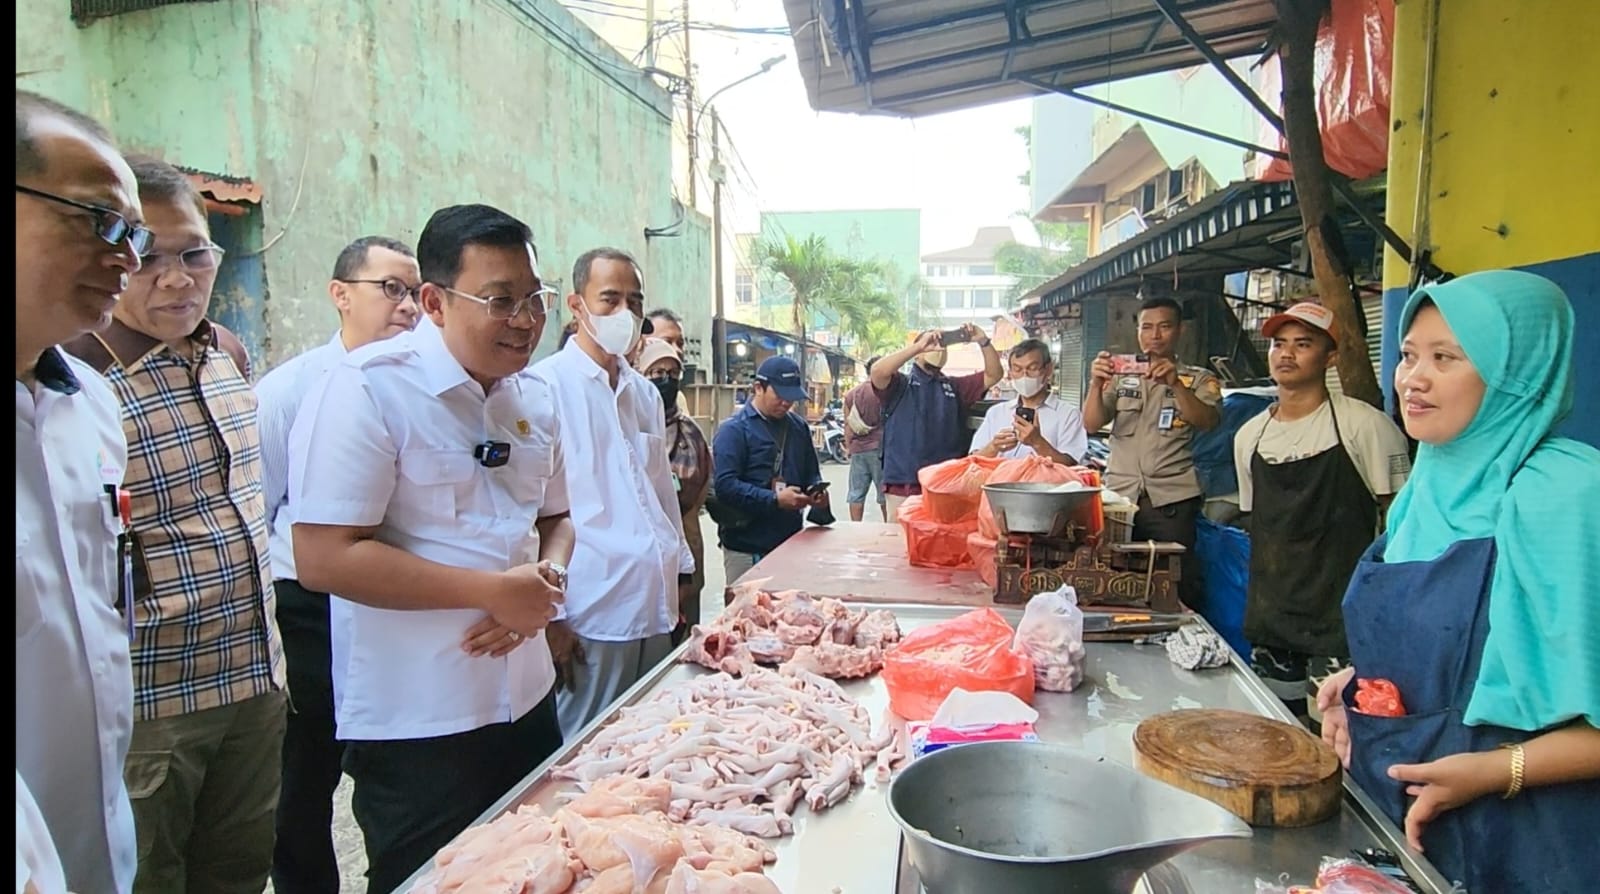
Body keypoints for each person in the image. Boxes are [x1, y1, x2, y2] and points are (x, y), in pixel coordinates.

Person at [288, 204, 572, 893]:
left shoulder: (533, 395)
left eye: (535, 298)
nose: (526, 318)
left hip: (527, 702)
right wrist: (491, 592)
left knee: (544, 871)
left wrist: (546, 580)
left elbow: (559, 517)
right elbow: (323, 557)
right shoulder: (368, 390)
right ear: (435, 303)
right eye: (500, 300)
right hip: (419, 720)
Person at [1316, 271, 1600, 892]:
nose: (1413, 378)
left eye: (1446, 358)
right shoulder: (1424, 489)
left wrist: (1501, 770)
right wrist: (1360, 693)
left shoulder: (1570, 495)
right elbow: (1444, 655)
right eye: (1410, 355)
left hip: (1536, 841)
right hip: (1408, 831)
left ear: (1516, 376)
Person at [62, 155, 287, 894]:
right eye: (148, 257)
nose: (175, 277)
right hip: (151, 708)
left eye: (194, 254)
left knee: (238, 876)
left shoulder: (226, 355)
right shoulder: (76, 385)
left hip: (253, 685)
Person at [254, 235, 421, 894]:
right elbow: (261, 514)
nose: (407, 305)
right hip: (311, 612)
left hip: (395, 603)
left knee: (392, 770)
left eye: (415, 291)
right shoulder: (289, 392)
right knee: (304, 781)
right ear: (340, 295)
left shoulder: (422, 391)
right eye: (391, 289)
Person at [15, 88, 145, 894]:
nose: (128, 259)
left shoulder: (90, 405)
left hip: (94, 837)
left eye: (131, 233)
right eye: (96, 221)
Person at [533, 248, 693, 738]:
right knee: (587, 748)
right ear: (577, 306)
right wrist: (551, 619)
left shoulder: (643, 393)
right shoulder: (543, 389)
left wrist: (681, 574)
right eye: (610, 299)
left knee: (648, 739)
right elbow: (533, 513)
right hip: (591, 610)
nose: (624, 313)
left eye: (635, 301)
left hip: (653, 602)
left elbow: (660, 493)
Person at [1232, 302, 1410, 719]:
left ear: (1330, 357)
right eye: (1279, 344)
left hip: (1340, 621)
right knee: (1274, 733)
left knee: (1333, 739)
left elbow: (1400, 522)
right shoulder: (1249, 437)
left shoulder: (1366, 428)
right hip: (1271, 615)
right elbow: (1255, 517)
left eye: (1303, 344)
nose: (1286, 354)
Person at [1083, 297, 1222, 606]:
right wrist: (1095, 384)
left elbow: (1208, 420)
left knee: (1174, 585)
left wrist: (1176, 385)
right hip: (1121, 499)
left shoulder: (1199, 379)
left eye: (1164, 327)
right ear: (1138, 331)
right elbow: (1091, 423)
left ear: (1180, 331)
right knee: (1116, 580)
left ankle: (1179, 641)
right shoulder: (1121, 375)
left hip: (1171, 500)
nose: (1154, 335)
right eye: (1147, 327)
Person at [712, 356, 831, 583]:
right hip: (746, 546)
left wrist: (817, 497)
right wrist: (774, 500)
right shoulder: (734, 430)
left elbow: (811, 474)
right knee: (747, 613)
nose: (786, 403)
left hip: (789, 542)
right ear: (759, 388)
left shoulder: (798, 428)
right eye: (780, 396)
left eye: (792, 398)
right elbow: (725, 486)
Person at [870, 323, 1003, 518]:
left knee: (943, 542)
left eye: (943, 344)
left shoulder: (954, 386)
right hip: (905, 483)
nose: (938, 349)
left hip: (946, 484)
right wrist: (919, 346)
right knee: (901, 542)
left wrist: (983, 340)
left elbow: (994, 375)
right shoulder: (899, 384)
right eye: (933, 343)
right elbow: (877, 371)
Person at [635, 337, 713, 639]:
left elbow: (705, 483)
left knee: (684, 637)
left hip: (686, 540)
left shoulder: (690, 431)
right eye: (656, 372)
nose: (665, 380)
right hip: (642, 551)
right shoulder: (630, 424)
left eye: (672, 373)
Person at [971, 338, 1087, 464]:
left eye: (1032, 368)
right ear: (1010, 373)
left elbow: (1072, 466)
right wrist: (993, 447)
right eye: (1017, 369)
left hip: (1044, 483)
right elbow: (973, 460)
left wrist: (1038, 442)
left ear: (1048, 369)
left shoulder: (1069, 415)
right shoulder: (996, 413)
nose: (1024, 375)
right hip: (999, 483)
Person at [841, 356, 887, 522]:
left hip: (858, 448)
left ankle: (855, 527)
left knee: (856, 492)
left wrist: (849, 447)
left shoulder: (852, 394)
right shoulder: (885, 392)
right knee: (884, 492)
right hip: (880, 449)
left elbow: (848, 425)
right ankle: (887, 526)